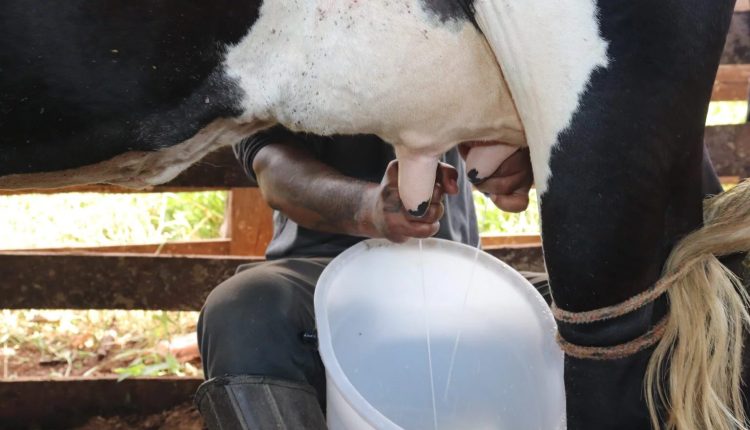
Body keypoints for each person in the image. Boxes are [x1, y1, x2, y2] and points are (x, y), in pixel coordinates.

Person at [193, 126, 541, 429]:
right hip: (321, 274)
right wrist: (367, 207)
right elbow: (271, 164)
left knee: (574, 312)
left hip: (453, 275)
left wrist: (521, 154)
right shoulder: (270, 54)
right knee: (242, 311)